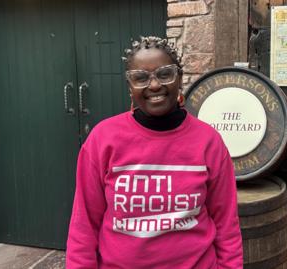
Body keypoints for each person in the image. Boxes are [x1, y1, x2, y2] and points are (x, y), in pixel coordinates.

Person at [66, 36, 243, 269]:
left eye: (164, 74)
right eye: (140, 78)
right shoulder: (103, 139)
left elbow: (226, 225)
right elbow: (84, 226)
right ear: (130, 87)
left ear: (179, 78)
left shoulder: (209, 142)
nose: (154, 85)